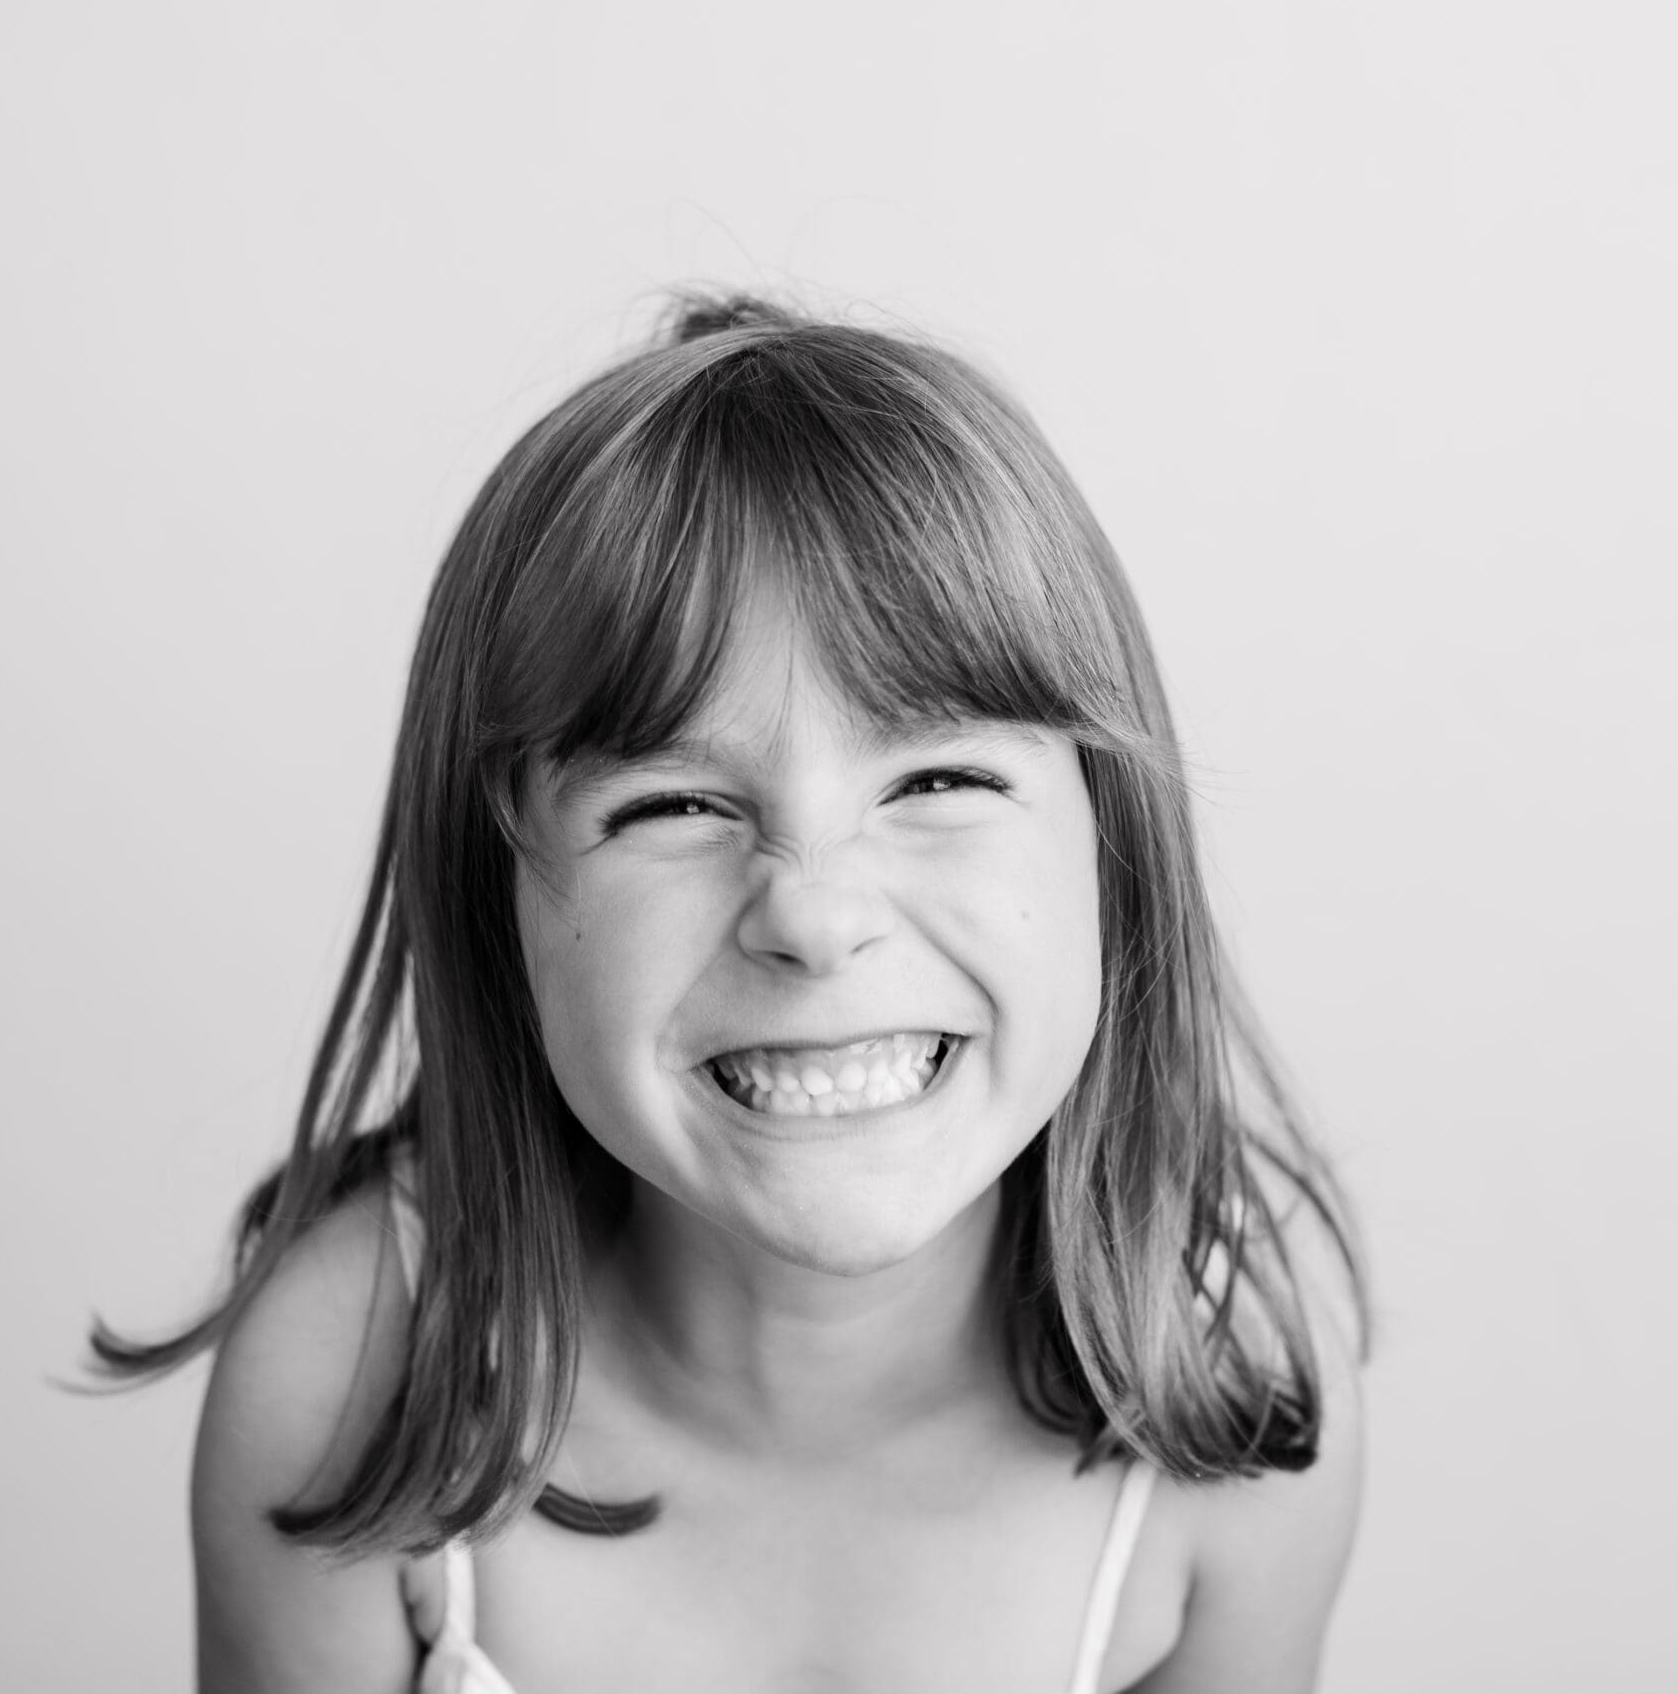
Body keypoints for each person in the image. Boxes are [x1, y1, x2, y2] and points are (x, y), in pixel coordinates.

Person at [93, 293, 1369, 1693]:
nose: (814, 916)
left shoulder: (1237, 1372)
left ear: (1114, 848)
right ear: (500, 901)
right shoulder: (347, 1378)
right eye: (676, 803)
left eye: (938, 780)